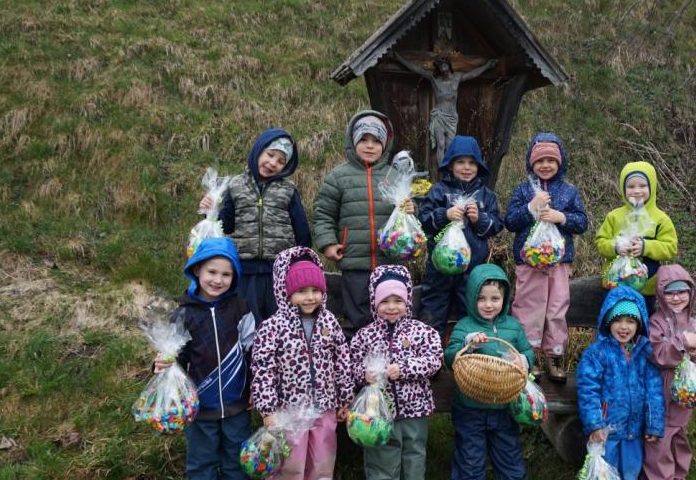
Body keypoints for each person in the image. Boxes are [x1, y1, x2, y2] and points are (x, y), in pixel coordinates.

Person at [153, 236, 256, 480]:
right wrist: (162, 366)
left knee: (236, 454)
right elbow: (176, 357)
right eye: (212, 272)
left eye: (226, 274)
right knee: (201, 457)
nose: (218, 280)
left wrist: (254, 387)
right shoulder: (184, 312)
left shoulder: (240, 308)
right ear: (196, 270)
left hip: (237, 402)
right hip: (199, 407)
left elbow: (253, 351)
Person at [250, 247, 353, 480]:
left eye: (315, 290)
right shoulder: (273, 328)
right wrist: (267, 409)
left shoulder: (329, 322)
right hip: (288, 410)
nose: (309, 297)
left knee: (322, 454)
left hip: (324, 405)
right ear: (286, 292)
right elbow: (263, 369)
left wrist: (344, 399)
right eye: (301, 291)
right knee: (290, 458)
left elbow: (341, 362)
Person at [445, 264, 538, 480]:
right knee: (470, 456)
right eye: (482, 298)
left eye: (494, 298)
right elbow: (451, 357)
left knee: (509, 455)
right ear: (472, 298)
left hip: (504, 407)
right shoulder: (465, 327)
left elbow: (528, 353)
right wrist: (469, 345)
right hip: (470, 407)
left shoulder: (512, 326)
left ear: (504, 299)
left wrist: (523, 361)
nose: (488, 304)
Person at [349, 265, 443, 480]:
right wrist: (363, 374)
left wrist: (405, 369)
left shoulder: (422, 332)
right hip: (377, 414)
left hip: (415, 408)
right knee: (383, 453)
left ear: (407, 301)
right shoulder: (365, 336)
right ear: (374, 302)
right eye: (385, 301)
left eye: (398, 300)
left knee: (414, 452)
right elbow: (350, 365)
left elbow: (434, 361)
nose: (392, 307)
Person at [313, 111, 414, 337]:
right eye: (363, 140)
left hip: (389, 261)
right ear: (353, 142)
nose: (370, 146)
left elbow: (406, 218)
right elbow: (323, 214)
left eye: (376, 141)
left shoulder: (394, 175)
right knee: (356, 317)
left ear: (385, 145)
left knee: (391, 315)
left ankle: (391, 366)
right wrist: (328, 243)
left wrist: (409, 211)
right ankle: (356, 368)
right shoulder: (338, 177)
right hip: (355, 261)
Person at [576, 285, 664, 480]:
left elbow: (654, 391)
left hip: (633, 429)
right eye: (618, 320)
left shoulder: (644, 354)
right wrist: (594, 424)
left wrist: (654, 425)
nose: (624, 327)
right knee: (604, 471)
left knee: (630, 470)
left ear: (640, 324)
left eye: (630, 321)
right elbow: (588, 390)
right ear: (607, 321)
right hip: (606, 431)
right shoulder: (597, 354)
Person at [200, 128, 311, 324]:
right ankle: (247, 354)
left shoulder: (288, 190)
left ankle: (276, 354)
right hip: (245, 269)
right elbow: (225, 225)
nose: (273, 163)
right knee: (246, 320)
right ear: (258, 150)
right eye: (270, 155)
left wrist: (302, 262)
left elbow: (301, 229)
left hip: (279, 270)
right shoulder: (235, 186)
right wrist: (212, 209)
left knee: (278, 321)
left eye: (281, 161)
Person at [504, 132, 589, 382]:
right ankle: (528, 357)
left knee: (556, 308)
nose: (545, 165)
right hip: (529, 260)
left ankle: (555, 356)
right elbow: (510, 221)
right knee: (529, 308)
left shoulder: (569, 192)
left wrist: (560, 217)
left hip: (560, 261)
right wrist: (531, 208)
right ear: (531, 164)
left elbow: (582, 222)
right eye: (540, 161)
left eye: (551, 160)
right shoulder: (522, 191)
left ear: (560, 163)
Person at [640, 265, 696, 480]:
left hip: (684, 396)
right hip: (661, 394)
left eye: (682, 292)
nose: (676, 298)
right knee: (659, 443)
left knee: (679, 440)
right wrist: (682, 343)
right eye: (670, 293)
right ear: (661, 295)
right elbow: (657, 353)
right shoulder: (657, 322)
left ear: (691, 294)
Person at [419, 135, 504, 337]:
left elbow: (497, 225)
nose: (466, 168)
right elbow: (424, 222)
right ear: (450, 166)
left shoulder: (486, 195)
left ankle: (470, 358)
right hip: (440, 268)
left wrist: (479, 219)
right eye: (460, 162)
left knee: (471, 312)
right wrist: (445, 215)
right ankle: (429, 356)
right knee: (433, 308)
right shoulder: (438, 191)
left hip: (473, 268)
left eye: (472, 163)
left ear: (479, 167)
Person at [594, 161, 678, 315]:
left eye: (642, 186)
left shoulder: (660, 219)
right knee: (613, 320)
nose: (637, 191)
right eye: (631, 186)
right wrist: (616, 247)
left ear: (652, 187)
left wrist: (646, 247)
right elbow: (600, 243)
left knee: (642, 325)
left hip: (646, 287)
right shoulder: (614, 216)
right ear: (622, 188)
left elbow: (670, 247)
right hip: (615, 285)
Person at [392, 52, 497, 166]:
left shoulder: (457, 78)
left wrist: (486, 66)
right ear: (438, 68)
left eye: (445, 64)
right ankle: (442, 170)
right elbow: (416, 69)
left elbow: (473, 74)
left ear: (449, 65)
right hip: (439, 116)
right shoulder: (434, 79)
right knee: (441, 144)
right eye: (441, 66)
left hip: (452, 117)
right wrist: (399, 58)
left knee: (450, 146)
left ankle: (450, 171)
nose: (443, 67)